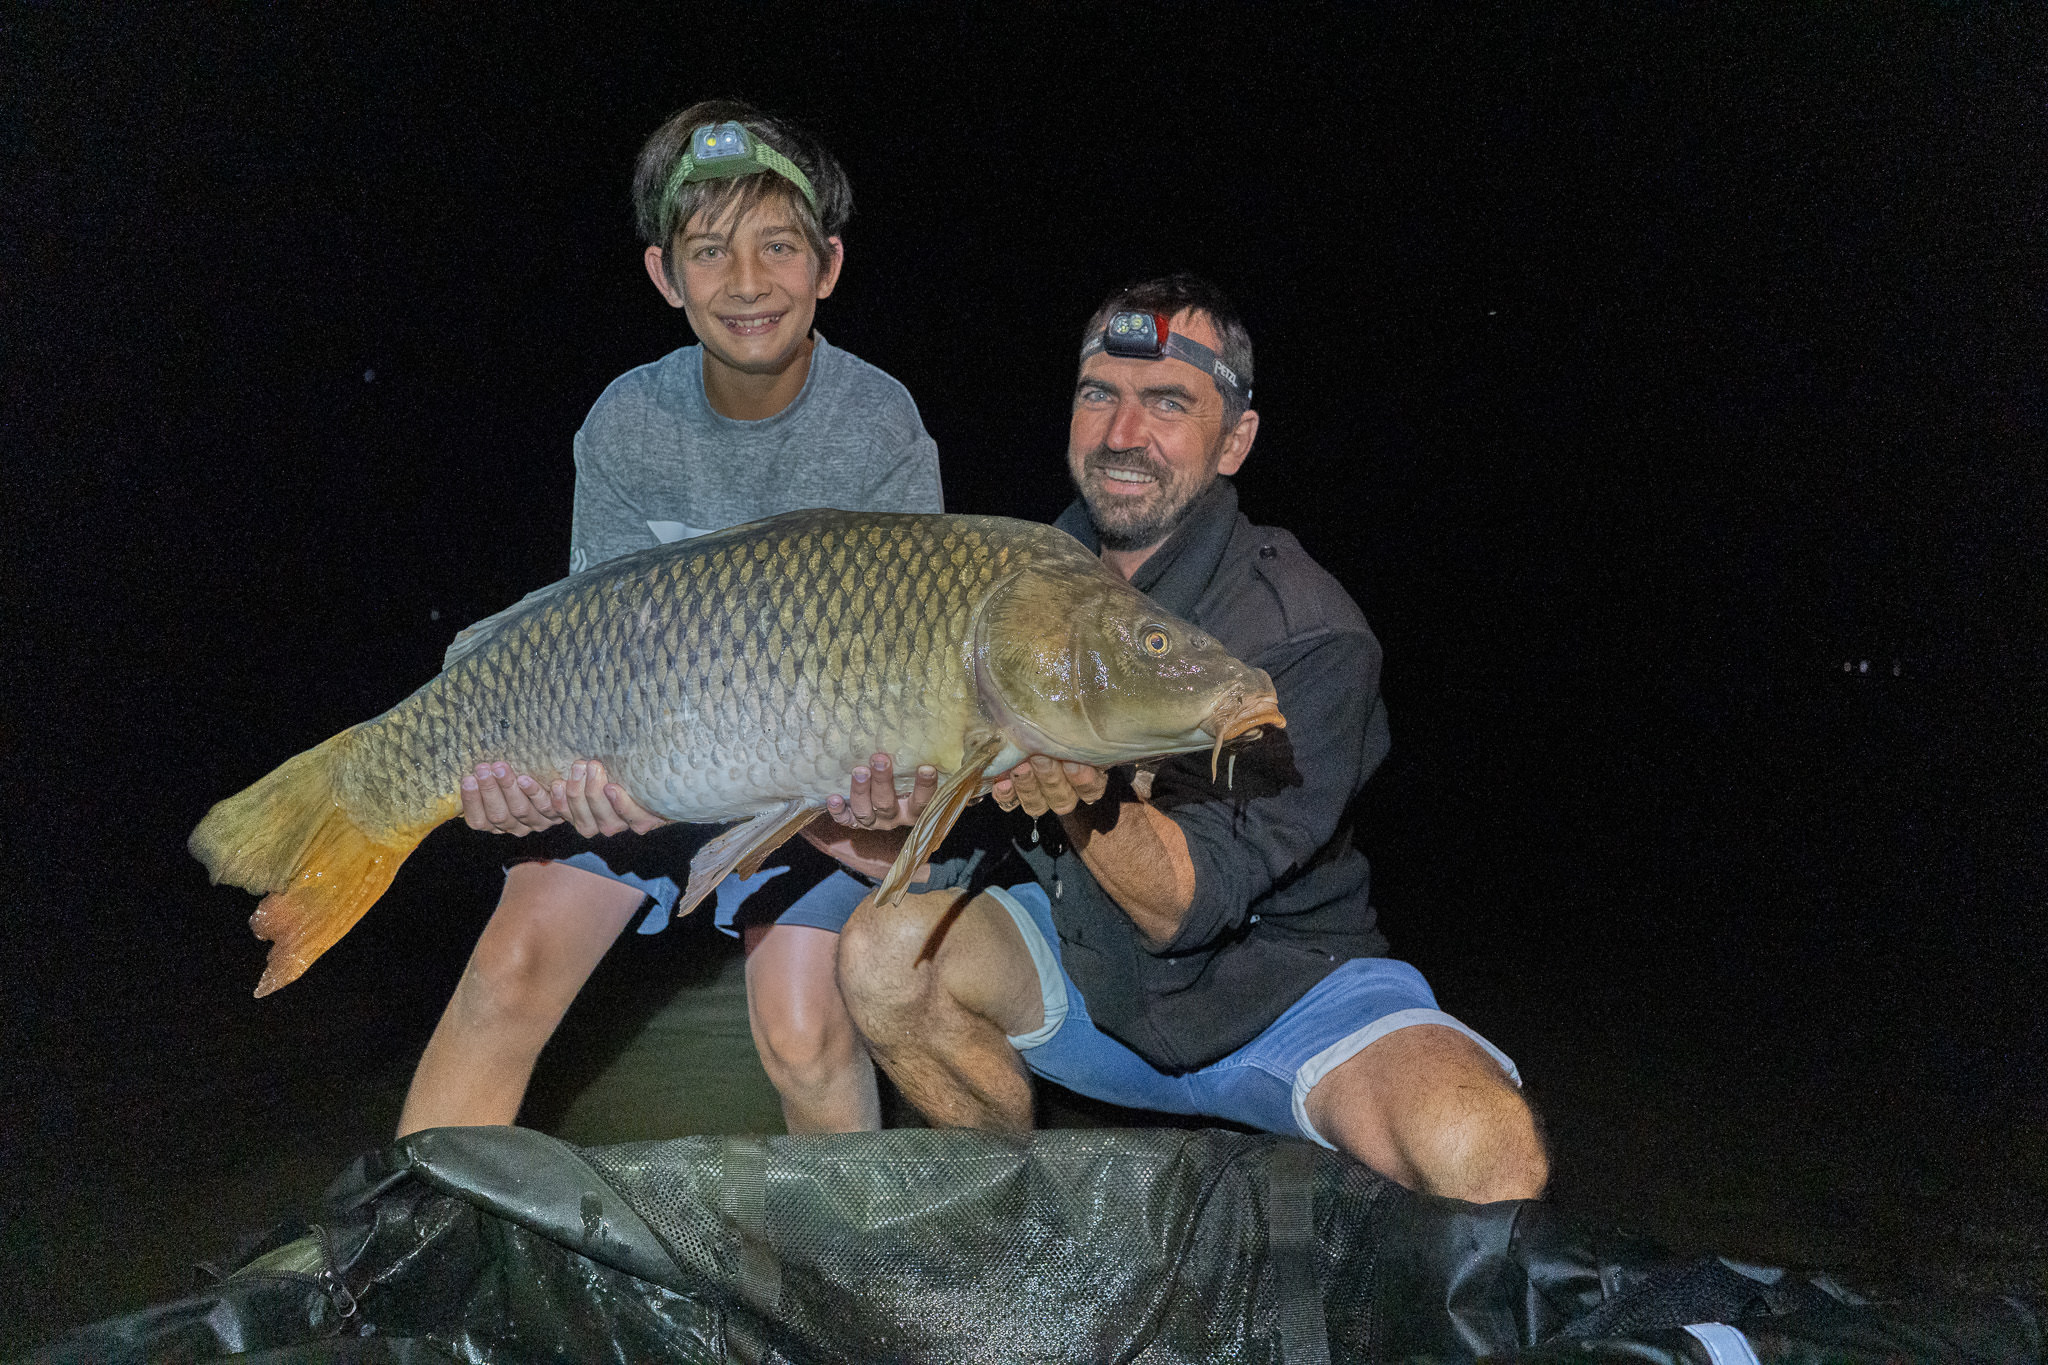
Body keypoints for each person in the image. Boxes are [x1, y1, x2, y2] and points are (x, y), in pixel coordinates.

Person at [827, 275, 1550, 1202]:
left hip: (1286, 994)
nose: (1124, 434)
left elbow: (1186, 905)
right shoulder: (1015, 584)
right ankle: (1007, 1240)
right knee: (883, 950)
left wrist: (1088, 795)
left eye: (1169, 402)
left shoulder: (1307, 631)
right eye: (1101, 396)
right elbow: (947, 836)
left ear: (1234, 438)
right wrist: (874, 810)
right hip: (1091, 978)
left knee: (1486, 1151)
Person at [396, 100, 943, 1138]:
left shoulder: (879, 424)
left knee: (799, 1028)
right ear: (664, 275)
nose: (746, 283)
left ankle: (844, 1289)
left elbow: (905, 667)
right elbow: (586, 650)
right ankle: (427, 1260)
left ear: (826, 265)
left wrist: (869, 798)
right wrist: (548, 783)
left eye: (778, 247)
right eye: (709, 251)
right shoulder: (625, 422)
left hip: (800, 782)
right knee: (504, 974)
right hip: (644, 766)